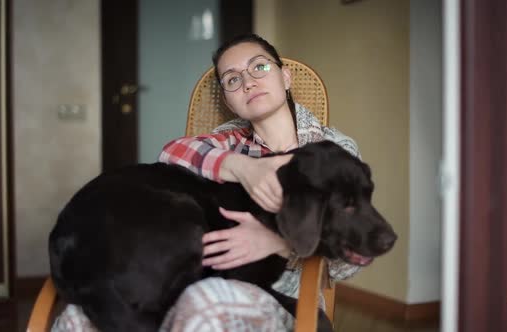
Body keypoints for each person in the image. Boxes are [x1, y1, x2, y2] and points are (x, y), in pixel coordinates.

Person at [52, 33, 362, 332]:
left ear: (285, 77)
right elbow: (171, 153)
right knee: (78, 317)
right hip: (203, 274)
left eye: (259, 66)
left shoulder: (334, 150)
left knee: (205, 301)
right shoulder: (229, 142)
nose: (248, 81)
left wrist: (279, 242)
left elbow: (353, 254)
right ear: (229, 101)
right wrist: (242, 168)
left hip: (284, 292)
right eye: (232, 79)